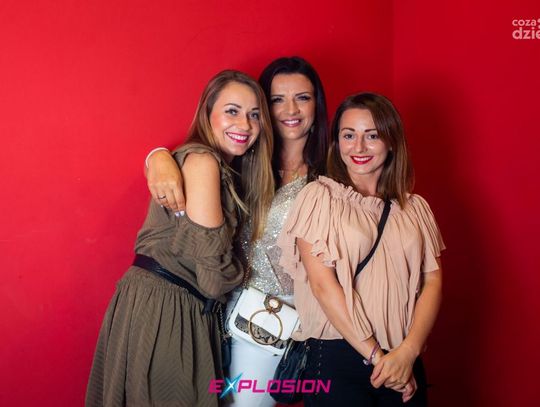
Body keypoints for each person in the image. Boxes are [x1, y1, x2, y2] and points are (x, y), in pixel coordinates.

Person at [144, 56, 328, 407]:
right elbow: (196, 159)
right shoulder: (242, 162)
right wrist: (157, 156)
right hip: (213, 316)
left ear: (316, 106)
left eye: (302, 98)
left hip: (270, 322)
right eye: (277, 100)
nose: (291, 109)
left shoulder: (329, 178)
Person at [85, 70, 274, 407]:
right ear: (208, 113)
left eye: (254, 114)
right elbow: (214, 280)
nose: (244, 124)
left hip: (164, 305)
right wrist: (243, 271)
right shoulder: (203, 162)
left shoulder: (220, 169)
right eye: (232, 111)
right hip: (166, 311)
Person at [277, 92, 444, 406]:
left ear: (391, 141)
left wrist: (407, 353)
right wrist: (378, 357)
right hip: (338, 357)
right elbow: (322, 286)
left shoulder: (415, 208)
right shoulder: (319, 197)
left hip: (403, 359)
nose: (359, 147)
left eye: (372, 135)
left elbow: (432, 281)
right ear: (336, 142)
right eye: (349, 135)